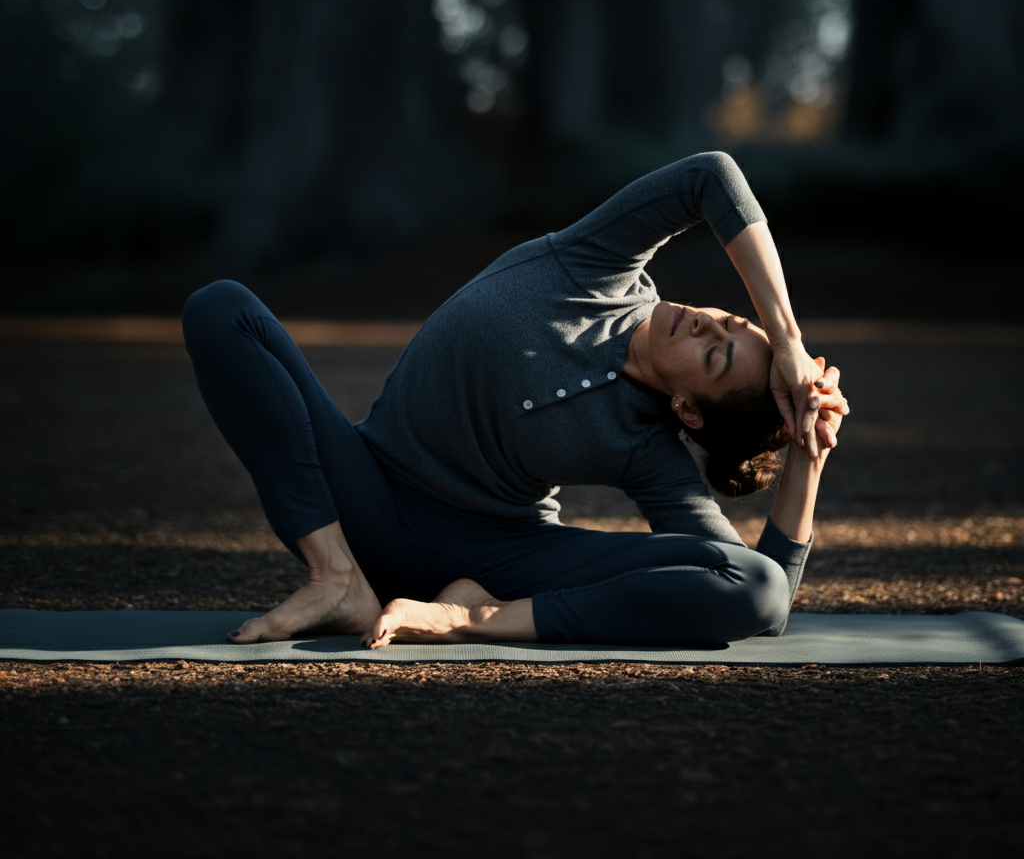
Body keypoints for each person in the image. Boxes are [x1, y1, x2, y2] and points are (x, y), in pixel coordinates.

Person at [182, 152, 848, 649]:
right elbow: (711, 175)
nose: (704, 323)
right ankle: (336, 580)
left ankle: (466, 614)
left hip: (498, 557)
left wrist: (809, 453)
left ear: (689, 411)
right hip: (370, 498)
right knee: (222, 310)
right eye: (729, 320)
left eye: (714, 356)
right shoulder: (594, 264)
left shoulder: (648, 448)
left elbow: (763, 595)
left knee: (753, 587)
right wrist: (786, 338)